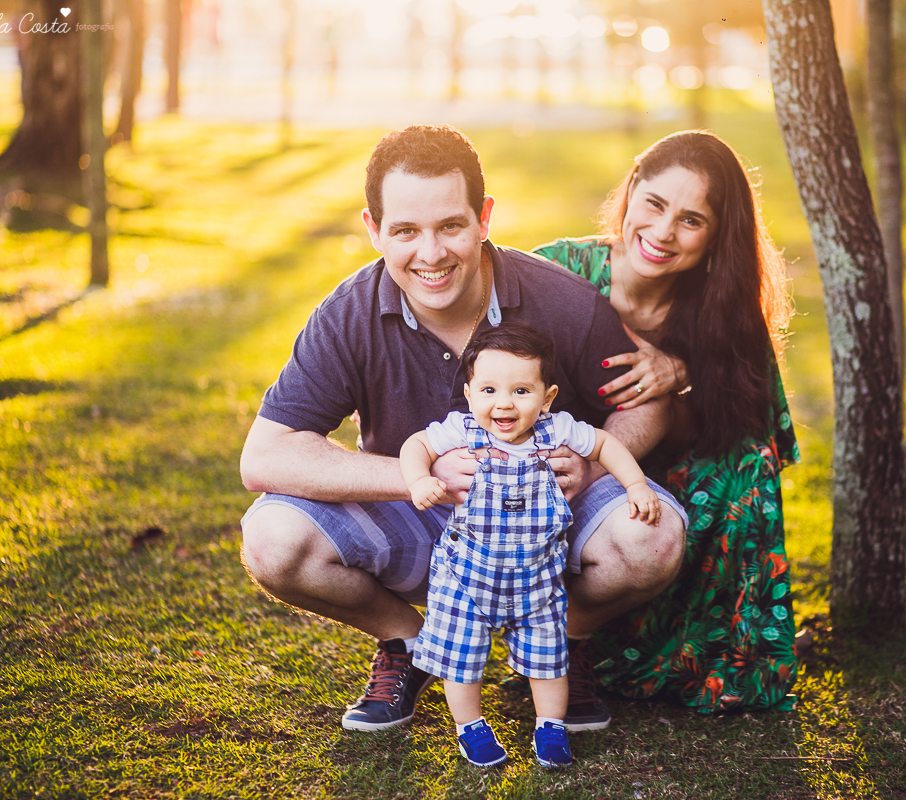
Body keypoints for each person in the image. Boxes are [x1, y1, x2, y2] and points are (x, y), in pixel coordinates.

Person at [238, 125, 687, 737]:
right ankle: (414, 643)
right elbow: (264, 456)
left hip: (548, 517)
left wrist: (597, 464)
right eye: (404, 231)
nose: (431, 253)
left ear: (485, 218)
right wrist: (413, 475)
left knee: (653, 541)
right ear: (373, 229)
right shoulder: (347, 315)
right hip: (422, 515)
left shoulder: (563, 301)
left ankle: (563, 639)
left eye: (450, 225)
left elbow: (647, 401)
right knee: (272, 538)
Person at [532, 130, 800, 714]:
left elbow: (745, 421)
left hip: (660, 469)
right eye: (653, 204)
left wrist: (680, 370)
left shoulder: (721, 306)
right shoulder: (555, 272)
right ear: (630, 191)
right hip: (555, 464)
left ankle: (699, 658)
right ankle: (556, 639)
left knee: (750, 465)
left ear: (715, 237)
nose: (661, 233)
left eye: (691, 220)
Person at [401, 323, 661, 768]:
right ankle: (471, 728)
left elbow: (605, 443)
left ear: (547, 397)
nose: (503, 402)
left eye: (521, 391)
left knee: (549, 661)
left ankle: (550, 726)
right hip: (467, 579)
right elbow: (416, 445)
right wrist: (419, 478)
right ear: (469, 394)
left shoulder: (556, 430)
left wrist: (635, 484)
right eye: (488, 389)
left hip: (537, 581)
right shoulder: (461, 431)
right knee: (461, 661)